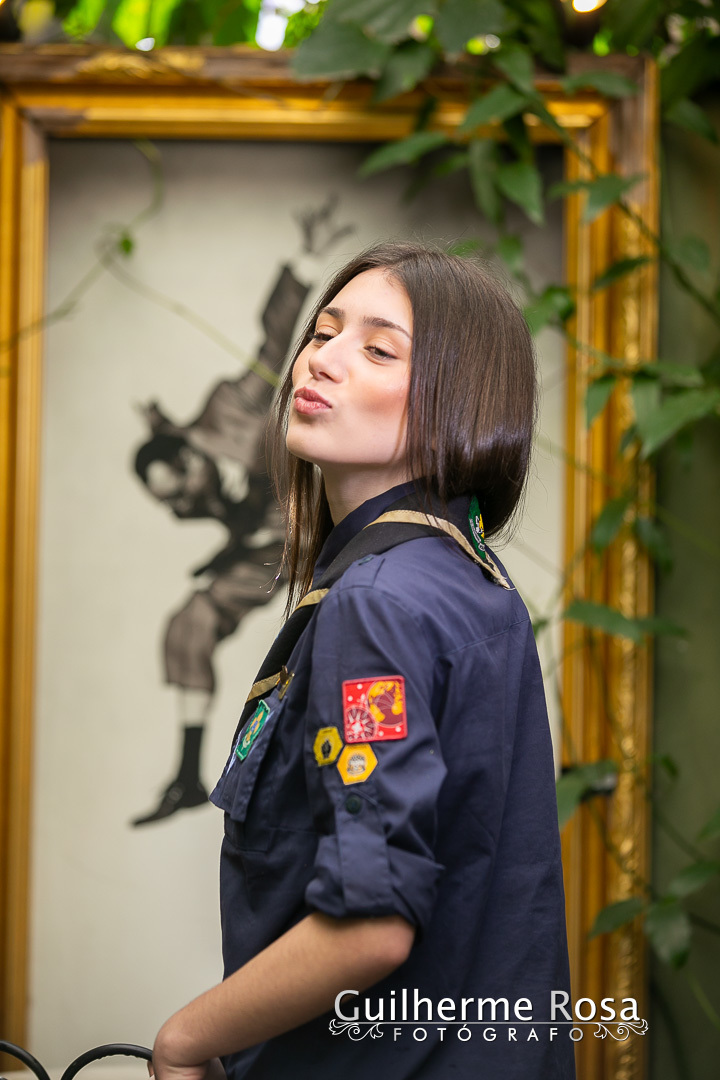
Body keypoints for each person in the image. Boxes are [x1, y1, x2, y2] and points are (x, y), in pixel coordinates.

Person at [151, 242, 576, 1079]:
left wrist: (186, 1040)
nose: (322, 358)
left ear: (457, 400)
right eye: (322, 333)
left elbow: (371, 924)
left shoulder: (377, 604)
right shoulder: (470, 578)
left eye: (379, 349)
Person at [130, 200, 352, 825]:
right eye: (170, 504)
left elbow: (271, 343)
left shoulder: (233, 405)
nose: (183, 508)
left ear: (193, 458)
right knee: (188, 623)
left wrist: (304, 261)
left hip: (325, 526)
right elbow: (174, 444)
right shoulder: (185, 478)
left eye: (180, 493)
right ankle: (187, 774)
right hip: (266, 552)